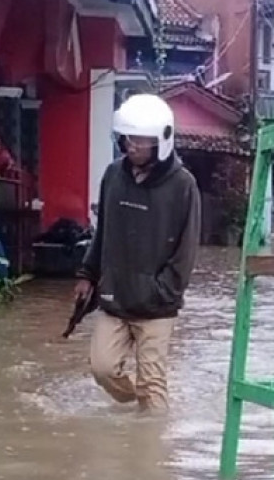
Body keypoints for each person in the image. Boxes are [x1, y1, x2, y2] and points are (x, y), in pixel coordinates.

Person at [74, 94, 201, 413]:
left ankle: (151, 439)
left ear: (161, 141)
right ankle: (132, 407)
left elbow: (186, 249)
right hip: (115, 296)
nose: (132, 146)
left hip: (157, 306)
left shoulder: (183, 185)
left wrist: (163, 290)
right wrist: (88, 274)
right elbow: (103, 231)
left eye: (141, 140)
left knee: (152, 384)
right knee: (102, 368)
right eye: (128, 138)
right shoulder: (113, 176)